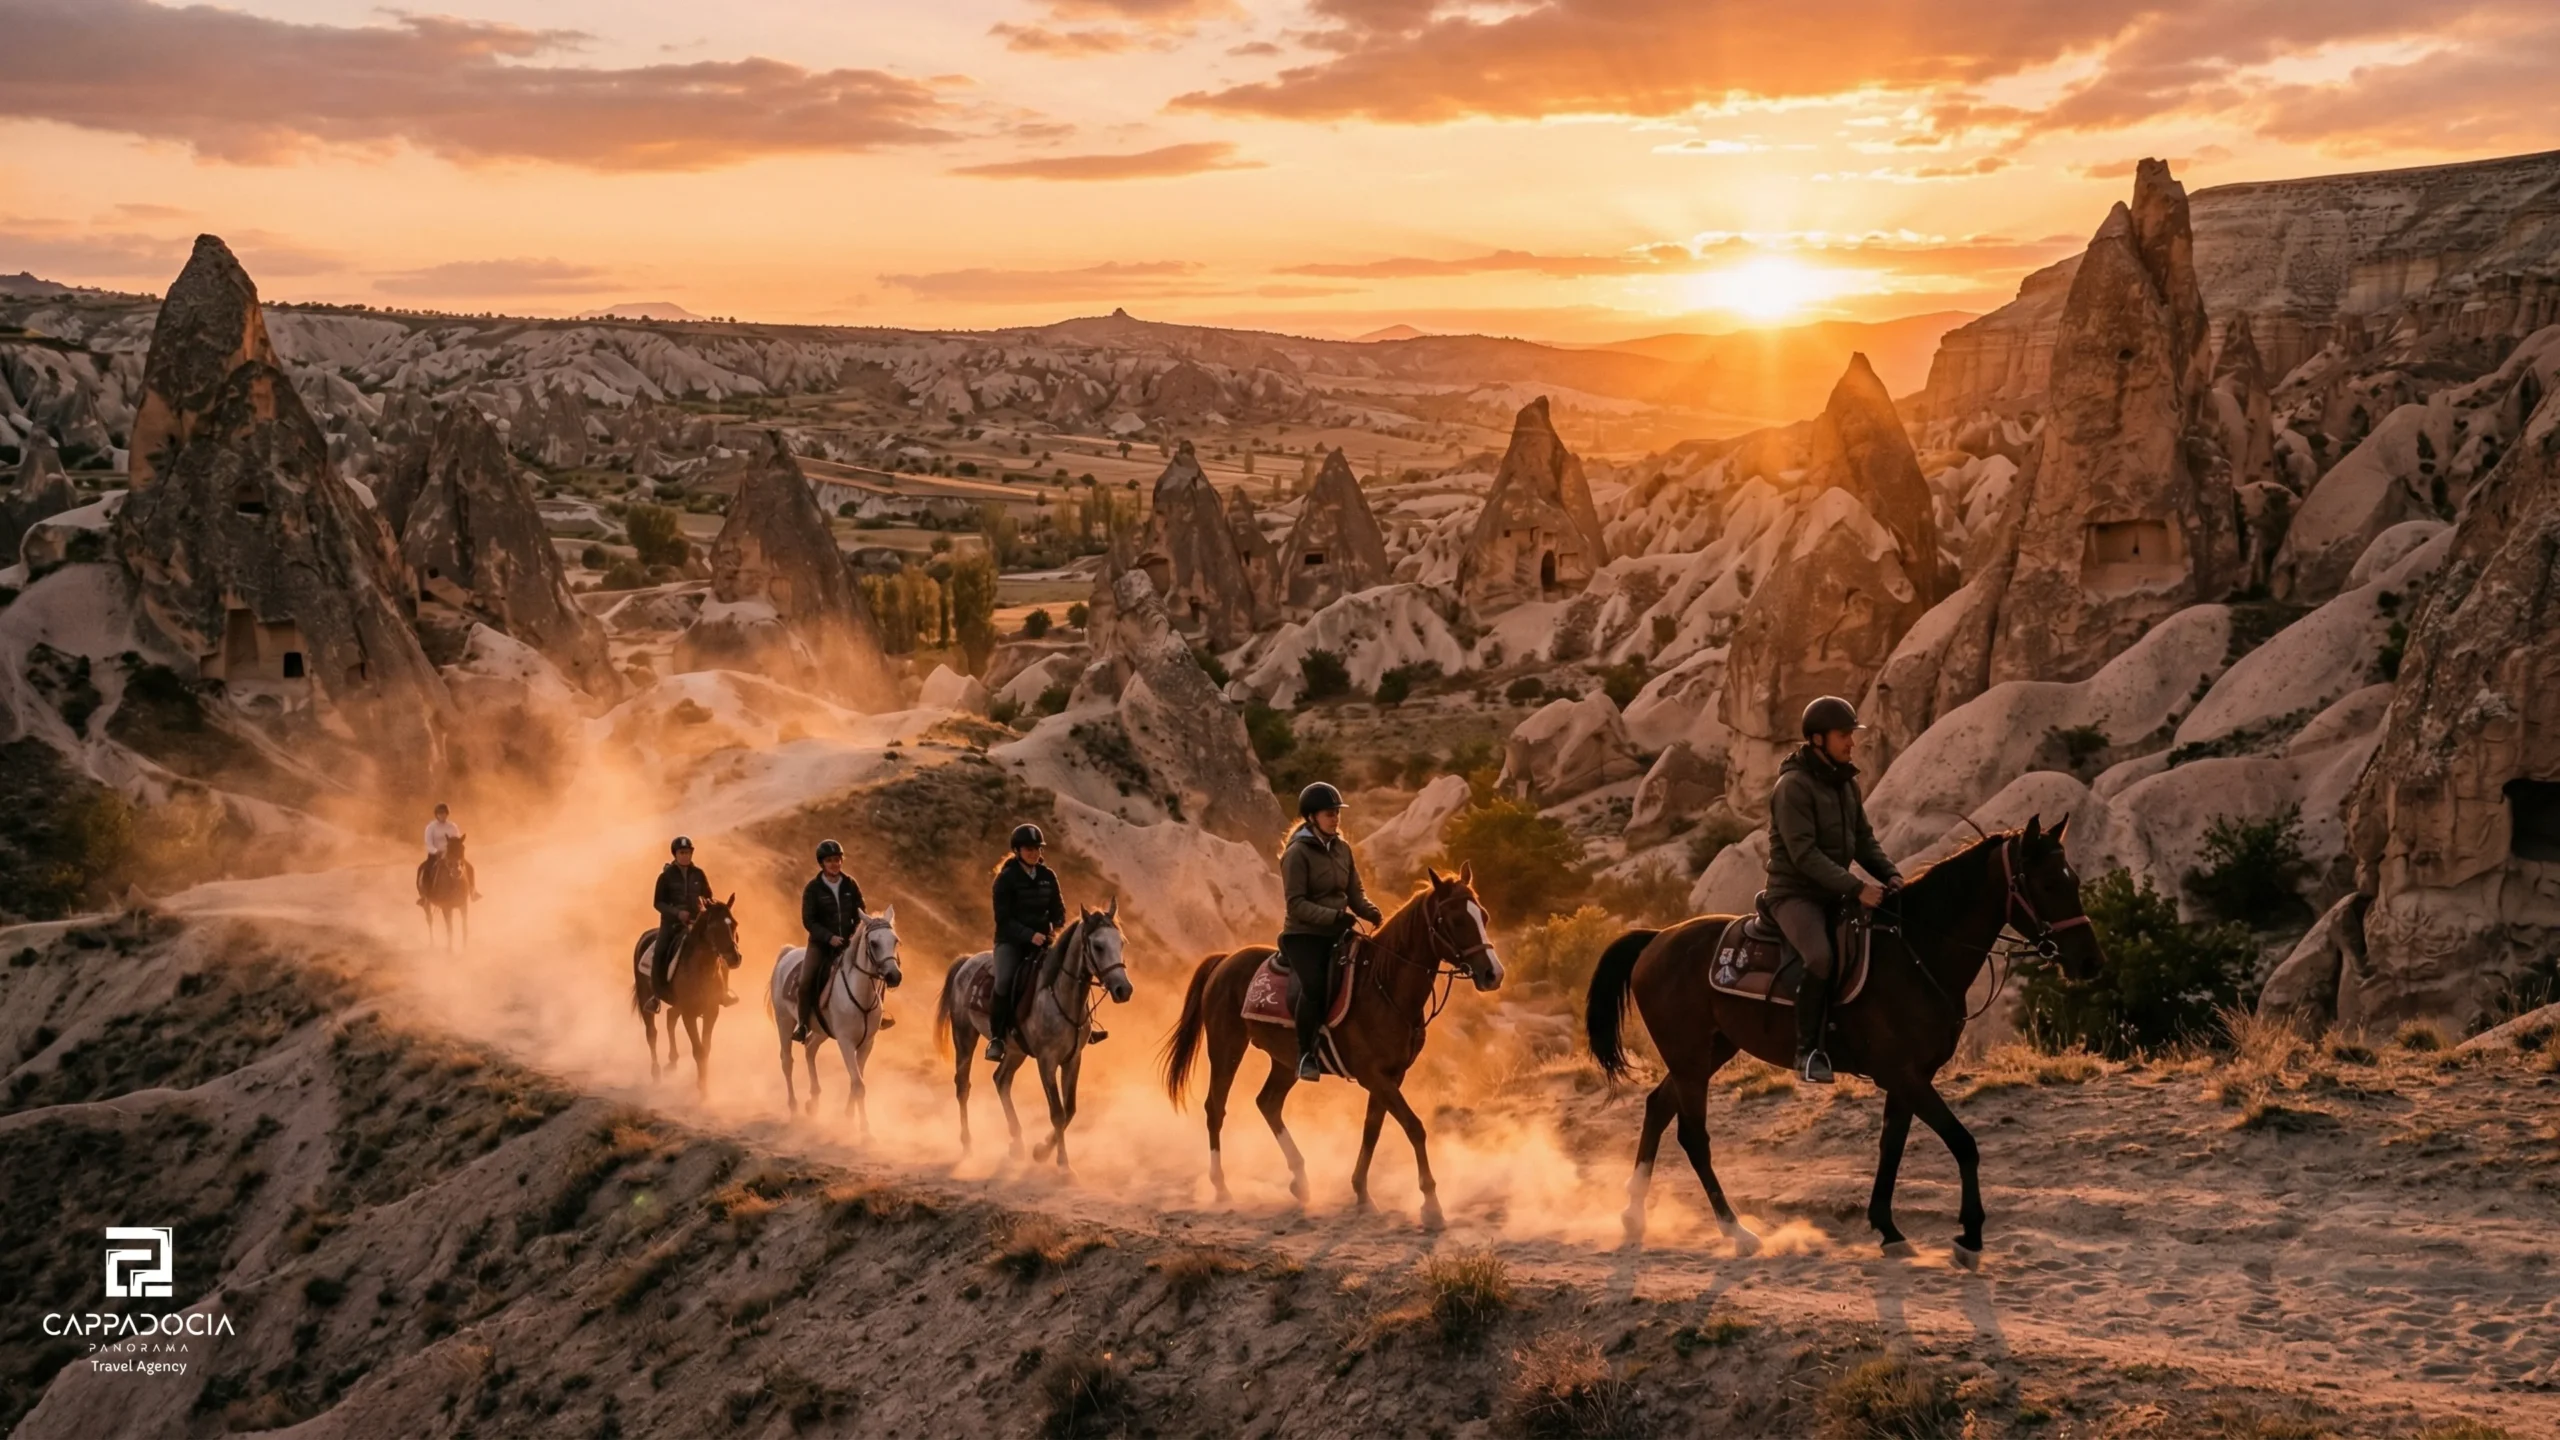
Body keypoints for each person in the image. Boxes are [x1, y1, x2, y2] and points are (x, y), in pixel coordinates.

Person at [1767, 695, 1901, 1085]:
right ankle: (1808, 1052)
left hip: (1832, 891)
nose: (1851, 743)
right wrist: (1857, 887)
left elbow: (1864, 840)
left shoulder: (1846, 784)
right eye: (1844, 735)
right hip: (1794, 894)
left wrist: (1892, 875)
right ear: (1817, 739)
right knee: (1820, 957)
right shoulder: (1792, 787)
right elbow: (1804, 855)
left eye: (1850, 734)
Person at [1279, 782, 1382, 1082]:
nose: (1336, 818)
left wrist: (1371, 912)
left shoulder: (1343, 849)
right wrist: (1334, 917)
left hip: (1337, 932)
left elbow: (1355, 893)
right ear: (1312, 817)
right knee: (1314, 986)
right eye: (1329, 813)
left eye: (1337, 812)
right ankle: (1305, 1055)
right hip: (1304, 936)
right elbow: (1296, 904)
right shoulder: (1297, 853)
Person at [985, 823, 1064, 1063]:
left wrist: (1055, 929)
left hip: (1043, 941)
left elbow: (1059, 911)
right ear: (1017, 850)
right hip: (1011, 943)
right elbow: (1003, 919)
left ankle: (1081, 1027)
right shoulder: (1005, 879)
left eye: (1037, 848)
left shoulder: (1048, 876)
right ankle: (997, 1038)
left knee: (1071, 971)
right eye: (1029, 849)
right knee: (1004, 981)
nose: (1034, 853)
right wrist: (1029, 935)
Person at [793, 840, 865, 1043]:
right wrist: (829, 937)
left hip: (848, 943)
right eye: (829, 860)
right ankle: (803, 1024)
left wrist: (853, 936)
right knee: (806, 981)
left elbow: (860, 912)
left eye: (837, 859)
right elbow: (809, 921)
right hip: (821, 944)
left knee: (873, 970)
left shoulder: (850, 884)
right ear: (822, 863)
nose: (834, 864)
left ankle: (876, 1015)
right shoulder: (813, 889)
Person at [650, 836, 731, 1006]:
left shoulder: (699, 874)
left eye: (687, 852)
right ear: (675, 854)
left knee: (721, 946)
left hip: (697, 922)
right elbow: (658, 903)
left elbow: (708, 896)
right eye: (682, 853)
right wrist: (677, 913)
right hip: (671, 925)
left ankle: (723, 991)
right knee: (660, 951)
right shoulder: (665, 877)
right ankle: (656, 995)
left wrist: (709, 906)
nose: (685, 856)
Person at [419, 803, 479, 901]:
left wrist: (455, 852)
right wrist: (436, 851)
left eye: (444, 813)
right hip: (435, 854)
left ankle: (473, 891)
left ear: (447, 814)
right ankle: (425, 896)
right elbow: (428, 843)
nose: (442, 815)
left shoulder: (452, 826)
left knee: (469, 867)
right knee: (425, 869)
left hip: (451, 854)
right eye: (440, 814)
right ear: (436, 815)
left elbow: (457, 841)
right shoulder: (431, 827)